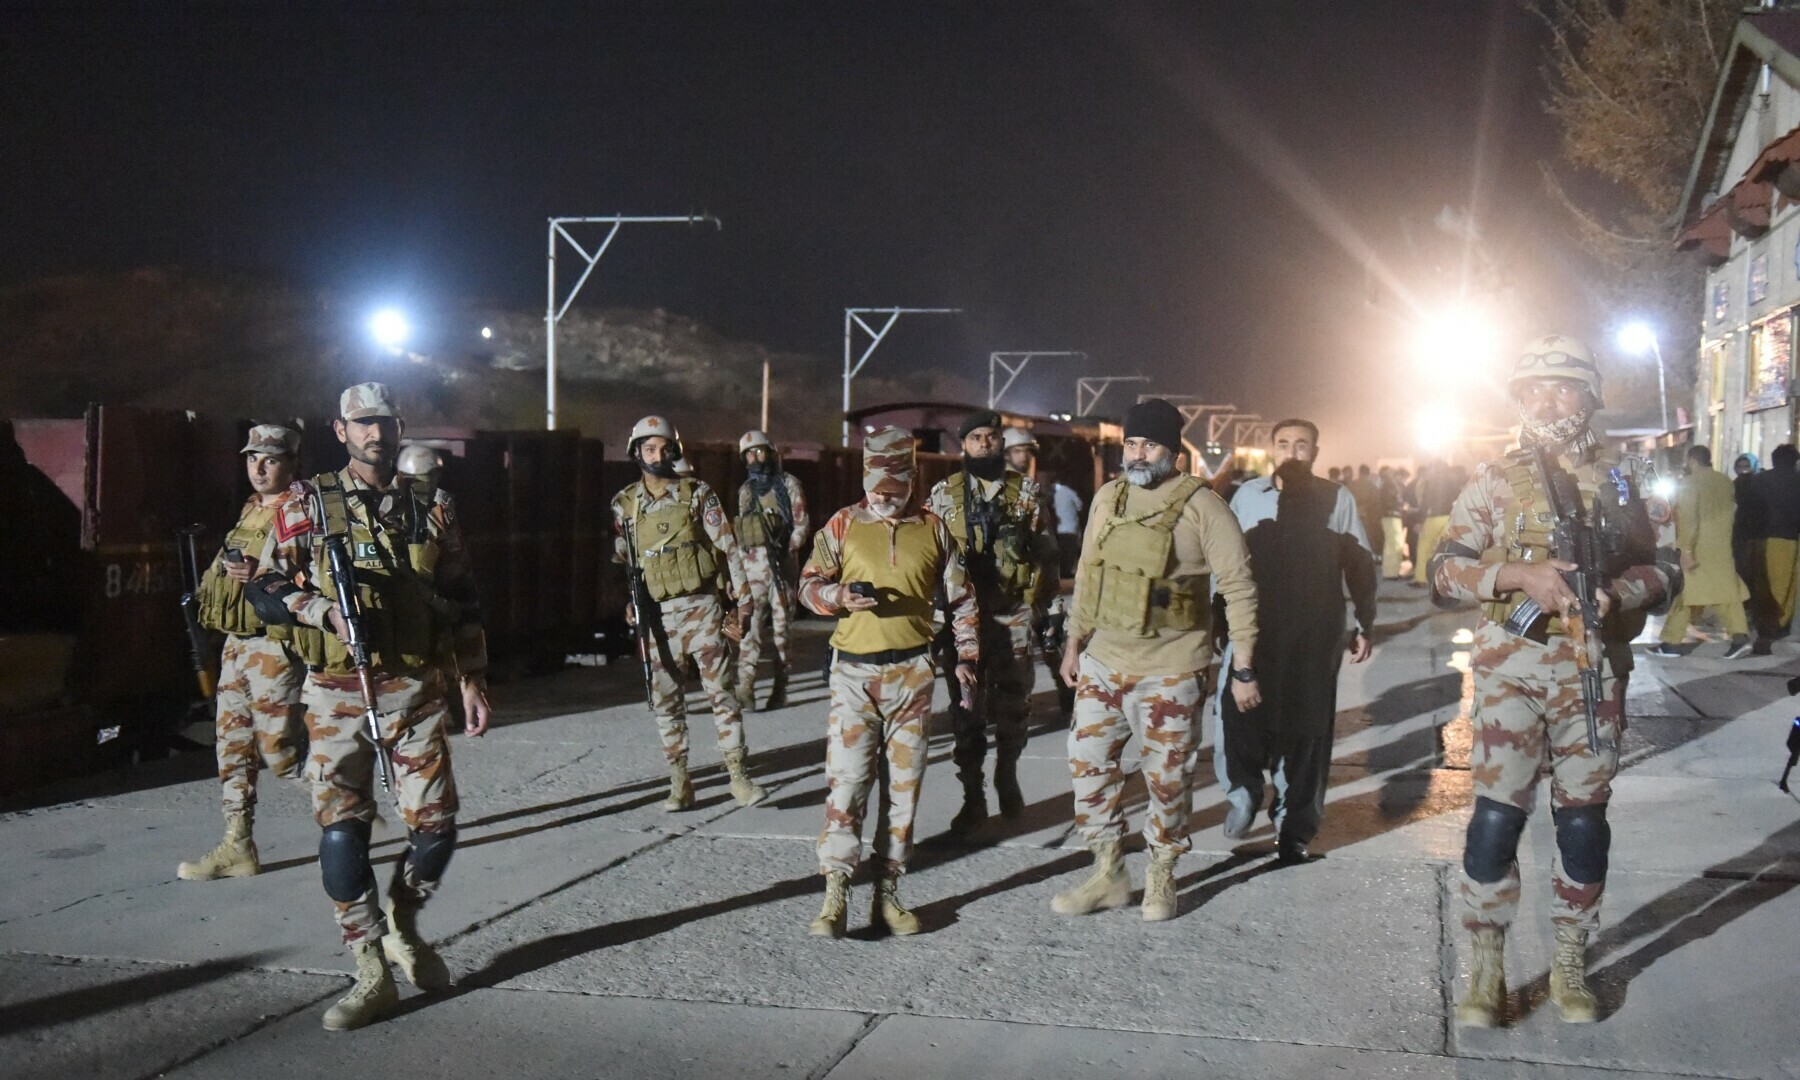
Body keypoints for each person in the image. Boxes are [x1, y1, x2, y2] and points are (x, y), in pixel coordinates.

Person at [1429, 337, 1677, 1027]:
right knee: (1495, 820)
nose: (1547, 400)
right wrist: (1516, 577)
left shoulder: (1622, 483)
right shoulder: (1493, 482)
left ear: (1589, 398)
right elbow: (1444, 572)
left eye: (1563, 387)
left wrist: (1619, 593)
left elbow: (1667, 574)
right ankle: (1486, 963)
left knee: (1583, 823)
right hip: (1513, 670)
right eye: (1534, 388)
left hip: (1591, 676)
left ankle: (1571, 956)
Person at [248, 383, 493, 1031]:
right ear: (340, 429)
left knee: (436, 827)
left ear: (399, 425)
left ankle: (403, 926)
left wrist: (473, 677)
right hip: (334, 693)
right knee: (342, 828)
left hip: (413, 687)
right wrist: (321, 609)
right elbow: (265, 585)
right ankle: (367, 965)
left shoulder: (432, 505)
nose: (374, 433)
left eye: (383, 422)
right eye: (362, 423)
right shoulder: (310, 503)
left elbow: (463, 595)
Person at [1054, 398, 1260, 922]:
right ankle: (1108, 872)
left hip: (1171, 668)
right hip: (1104, 661)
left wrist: (1243, 667)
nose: (1138, 454)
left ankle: (1162, 872)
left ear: (1174, 452)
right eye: (1131, 444)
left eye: (1149, 445)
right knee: (1089, 769)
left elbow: (1239, 589)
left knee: (1167, 781)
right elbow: (1088, 572)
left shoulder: (1204, 507)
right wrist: (1073, 642)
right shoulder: (1108, 497)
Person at [798, 426, 978, 937]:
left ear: (912, 480)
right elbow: (807, 586)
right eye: (877, 487)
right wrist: (836, 598)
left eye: (895, 489)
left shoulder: (935, 529)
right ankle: (835, 894)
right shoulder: (842, 525)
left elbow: (962, 601)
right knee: (849, 781)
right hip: (855, 674)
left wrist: (965, 657)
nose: (885, 497)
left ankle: (888, 893)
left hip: (912, 675)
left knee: (904, 789)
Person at [1216, 419, 1377, 864]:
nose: (1292, 451)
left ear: (1316, 451)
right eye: (1283, 444)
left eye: (1301, 445)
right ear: (1272, 450)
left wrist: (1365, 621)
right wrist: (1217, 617)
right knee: (1237, 717)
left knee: (1307, 736)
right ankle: (1244, 793)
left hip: (1314, 635)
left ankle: (1294, 829)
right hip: (1253, 632)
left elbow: (1360, 564)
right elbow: (1225, 562)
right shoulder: (1248, 496)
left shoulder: (1336, 498)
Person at [611, 416, 766, 811]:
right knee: (666, 703)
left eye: (664, 449)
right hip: (658, 618)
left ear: (675, 451)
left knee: (722, 696)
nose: (657, 456)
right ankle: (679, 780)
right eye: (648, 449)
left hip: (701, 608)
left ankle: (738, 776)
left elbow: (729, 548)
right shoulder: (624, 504)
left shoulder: (698, 494)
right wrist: (628, 604)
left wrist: (744, 601)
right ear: (636, 453)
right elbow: (625, 562)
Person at [176, 424, 309, 882]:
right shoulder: (252, 509)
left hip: (275, 646)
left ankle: (348, 806)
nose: (259, 467)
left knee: (280, 752)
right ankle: (238, 844)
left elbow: (313, 577)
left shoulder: (302, 510)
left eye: (270, 459)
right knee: (231, 746)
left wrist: (263, 571)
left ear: (291, 463)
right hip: (238, 646)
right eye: (253, 458)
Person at [928, 410, 1053, 833]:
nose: (985, 444)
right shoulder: (943, 496)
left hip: (1011, 612)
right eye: (977, 437)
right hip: (963, 619)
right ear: (963, 445)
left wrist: (1046, 611)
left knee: (1015, 702)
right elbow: (927, 560)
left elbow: (1045, 554)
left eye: (992, 437)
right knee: (967, 707)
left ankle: (1007, 770)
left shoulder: (1025, 494)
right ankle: (973, 795)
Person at [1648, 446, 1751, 659]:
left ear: (1692, 460)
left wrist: (1686, 549)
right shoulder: (1724, 482)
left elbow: (1689, 520)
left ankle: (1671, 643)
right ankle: (1740, 638)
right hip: (1721, 547)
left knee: (1685, 595)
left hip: (1698, 549)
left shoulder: (1690, 483)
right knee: (1727, 595)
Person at [734, 430, 809, 710]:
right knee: (749, 630)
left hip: (781, 571)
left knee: (781, 633)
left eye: (760, 451)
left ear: (771, 453)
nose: (756, 457)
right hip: (753, 571)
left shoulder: (788, 485)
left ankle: (780, 687)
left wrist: (788, 547)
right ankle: (746, 687)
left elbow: (801, 524)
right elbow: (742, 535)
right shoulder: (745, 492)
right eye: (750, 453)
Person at [1750, 443, 1800, 649]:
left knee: (1762, 582)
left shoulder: (1759, 480)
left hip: (1759, 539)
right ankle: (1775, 624)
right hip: (1788, 538)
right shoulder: (1798, 481)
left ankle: (1761, 621)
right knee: (1785, 585)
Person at [1411, 460, 1460, 587]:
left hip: (1434, 518)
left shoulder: (1431, 483)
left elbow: (1425, 503)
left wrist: (1419, 521)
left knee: (1424, 547)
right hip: (1448, 517)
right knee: (1443, 548)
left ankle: (1422, 578)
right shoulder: (1452, 483)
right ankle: (1445, 577)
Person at [1050, 471, 1085, 579]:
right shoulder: (1070, 492)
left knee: (1062, 551)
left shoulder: (1056, 494)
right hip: (1070, 527)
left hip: (1060, 528)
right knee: (1070, 551)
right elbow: (1080, 505)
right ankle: (1067, 571)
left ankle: (1061, 571)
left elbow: (1053, 507)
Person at [1377, 466, 1407, 579]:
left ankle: (1391, 571)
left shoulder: (1385, 484)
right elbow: (1392, 500)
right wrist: (1401, 507)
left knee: (1392, 543)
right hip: (1392, 516)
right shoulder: (1389, 485)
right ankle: (1391, 572)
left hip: (1389, 516)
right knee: (1394, 544)